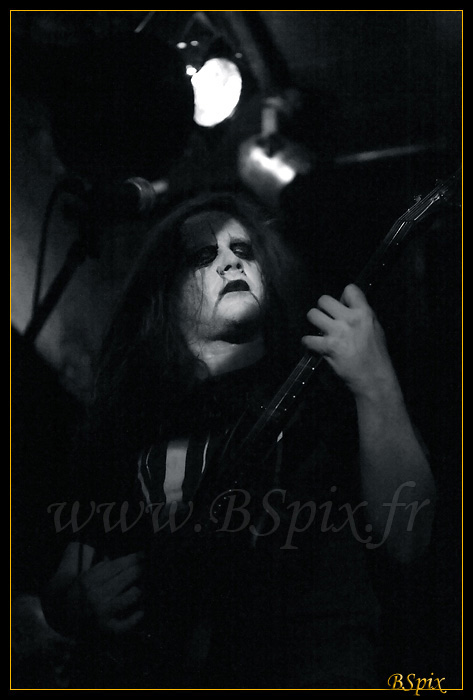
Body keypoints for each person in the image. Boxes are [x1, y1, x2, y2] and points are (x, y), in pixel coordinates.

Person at [39, 189, 436, 689]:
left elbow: (409, 536)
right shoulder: (131, 425)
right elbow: (67, 571)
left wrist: (375, 378)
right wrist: (74, 605)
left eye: (243, 250)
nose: (230, 262)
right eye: (204, 255)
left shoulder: (324, 394)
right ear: (165, 290)